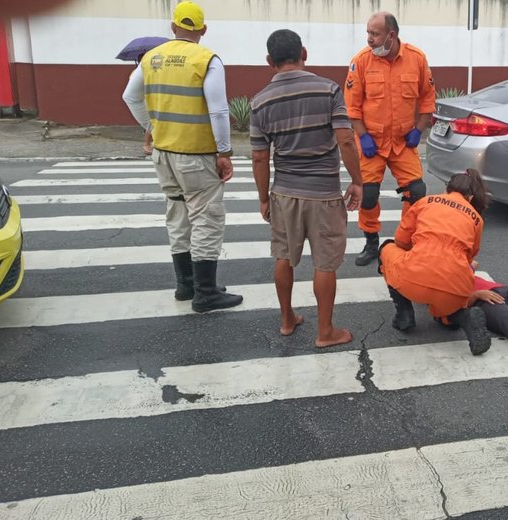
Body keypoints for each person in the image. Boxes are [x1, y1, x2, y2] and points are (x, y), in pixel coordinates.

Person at [122, 1, 242, 313]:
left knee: (177, 214)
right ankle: (205, 293)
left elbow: (129, 96)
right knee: (205, 218)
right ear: (202, 30)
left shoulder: (150, 58)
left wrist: (151, 126)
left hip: (163, 154)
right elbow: (218, 109)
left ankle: (185, 284)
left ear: (173, 27)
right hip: (197, 155)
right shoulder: (207, 59)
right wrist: (224, 151)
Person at [250, 29, 363, 348]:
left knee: (283, 256)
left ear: (269, 61)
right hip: (323, 194)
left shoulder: (260, 102)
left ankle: (287, 320)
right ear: (304, 53)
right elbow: (345, 139)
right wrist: (357, 181)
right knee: (325, 263)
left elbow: (260, 157)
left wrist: (263, 198)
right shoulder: (328, 90)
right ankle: (325, 332)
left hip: (284, 194)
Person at [344, 12, 436, 267]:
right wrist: (362, 136)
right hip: (371, 141)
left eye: (375, 34)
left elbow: (427, 98)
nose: (369, 39)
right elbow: (352, 107)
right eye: (369, 33)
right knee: (369, 194)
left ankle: (404, 241)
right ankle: (371, 242)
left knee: (416, 192)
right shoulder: (361, 61)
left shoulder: (417, 59)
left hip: (403, 141)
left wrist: (419, 128)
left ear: (391, 35)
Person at [378, 169, 491, 355]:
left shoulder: (425, 202)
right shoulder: (476, 219)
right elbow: (470, 256)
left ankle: (404, 313)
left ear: (447, 189)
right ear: (470, 198)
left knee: (387, 248)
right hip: (454, 288)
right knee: (445, 314)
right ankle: (462, 318)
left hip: (412, 280)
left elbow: (401, 240)